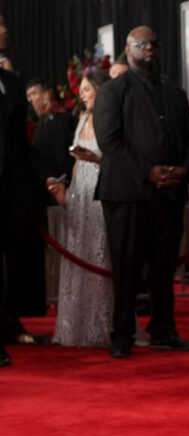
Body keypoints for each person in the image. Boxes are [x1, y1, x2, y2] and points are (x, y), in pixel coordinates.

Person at [93, 25, 189, 358]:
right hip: (127, 194)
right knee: (126, 268)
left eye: (154, 43)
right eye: (142, 44)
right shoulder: (113, 91)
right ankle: (122, 335)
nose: (149, 48)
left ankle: (163, 331)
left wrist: (183, 170)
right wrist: (148, 172)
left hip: (169, 194)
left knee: (164, 267)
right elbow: (109, 140)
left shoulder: (174, 93)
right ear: (128, 49)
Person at [46, 70, 141, 348]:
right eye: (82, 90)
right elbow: (76, 163)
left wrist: (96, 160)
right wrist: (68, 190)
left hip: (103, 188)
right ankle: (74, 326)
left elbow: (118, 158)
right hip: (80, 192)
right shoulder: (82, 117)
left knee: (101, 255)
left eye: (87, 89)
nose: (82, 95)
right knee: (79, 253)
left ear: (101, 91)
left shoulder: (111, 119)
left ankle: (106, 324)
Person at [0, 14, 46, 348]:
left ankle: (11, 323)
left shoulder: (13, 81)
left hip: (14, 186)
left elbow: (21, 138)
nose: (5, 30)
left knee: (16, 255)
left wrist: (43, 178)